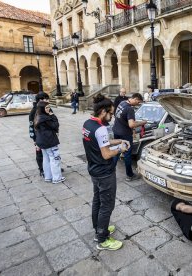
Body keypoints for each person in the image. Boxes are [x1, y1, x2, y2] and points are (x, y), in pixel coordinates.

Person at [82, 94, 130, 251]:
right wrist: (120, 148)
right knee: (107, 205)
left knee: (97, 201)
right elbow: (106, 153)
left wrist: (117, 141)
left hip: (94, 170)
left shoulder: (88, 123)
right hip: (104, 172)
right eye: (110, 113)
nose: (111, 116)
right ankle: (102, 239)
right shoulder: (101, 129)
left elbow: (101, 142)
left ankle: (98, 229)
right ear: (103, 112)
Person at [112, 93, 147, 181]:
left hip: (116, 130)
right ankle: (130, 175)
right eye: (138, 102)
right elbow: (131, 124)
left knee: (116, 152)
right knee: (127, 154)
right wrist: (142, 123)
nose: (138, 104)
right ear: (135, 99)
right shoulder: (129, 108)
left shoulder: (122, 103)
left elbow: (122, 118)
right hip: (125, 134)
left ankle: (109, 172)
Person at [34, 101, 65, 184]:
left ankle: (48, 177)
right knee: (55, 159)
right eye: (46, 107)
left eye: (49, 107)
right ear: (42, 109)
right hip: (49, 141)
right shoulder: (46, 118)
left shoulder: (38, 116)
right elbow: (55, 125)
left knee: (46, 159)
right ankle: (57, 178)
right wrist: (53, 116)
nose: (49, 109)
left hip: (42, 141)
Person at [29, 92, 50, 177]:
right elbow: (31, 126)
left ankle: (52, 167)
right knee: (40, 153)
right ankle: (41, 169)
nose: (48, 100)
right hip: (39, 137)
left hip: (49, 136)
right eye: (46, 99)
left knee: (50, 153)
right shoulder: (34, 112)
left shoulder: (47, 108)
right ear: (40, 100)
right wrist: (34, 139)